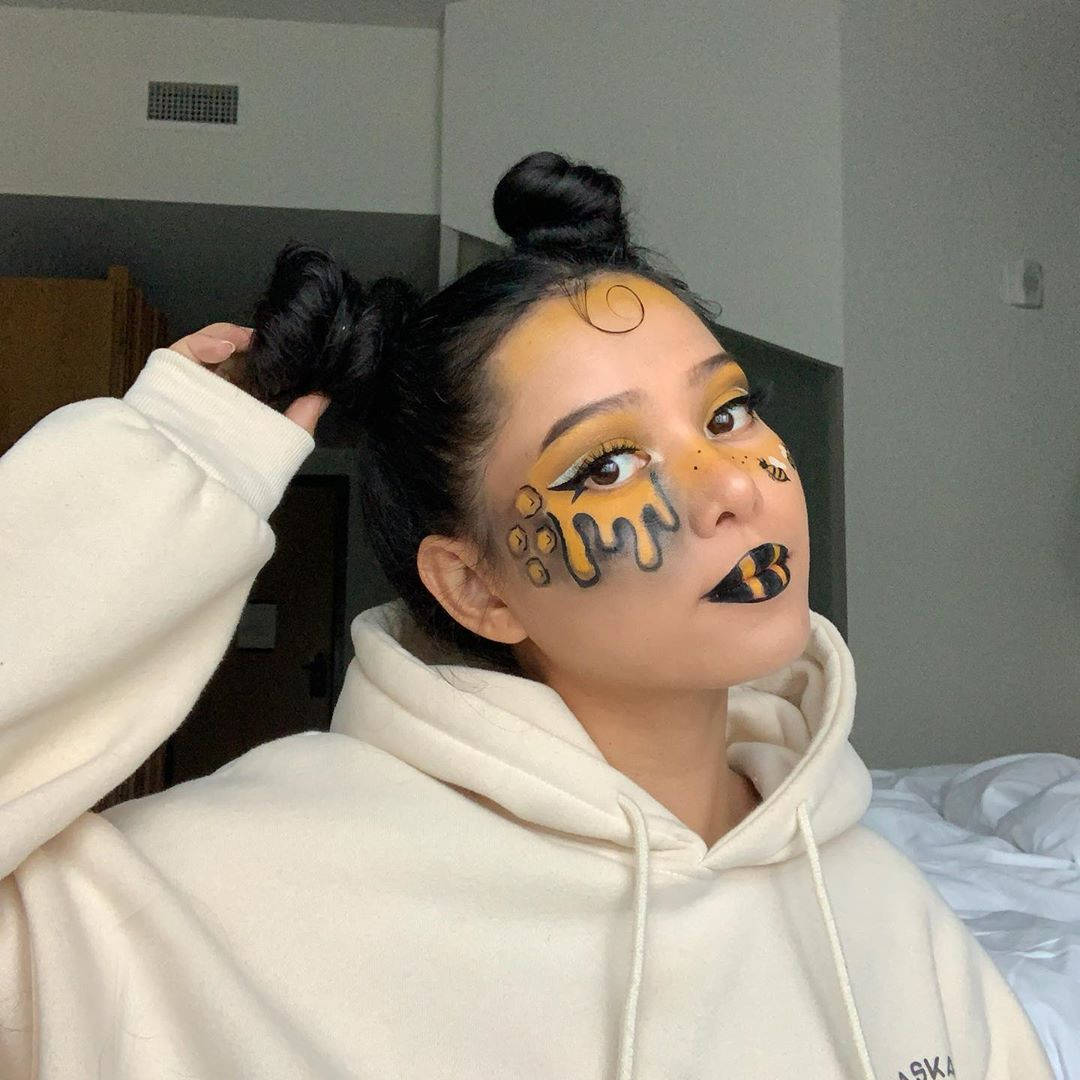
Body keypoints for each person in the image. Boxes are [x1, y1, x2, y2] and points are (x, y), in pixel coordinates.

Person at [0, 150, 1054, 1080]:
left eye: (727, 410)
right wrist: (176, 457)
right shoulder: (215, 896)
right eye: (608, 463)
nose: (734, 484)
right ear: (477, 587)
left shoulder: (885, 906)